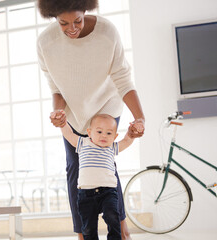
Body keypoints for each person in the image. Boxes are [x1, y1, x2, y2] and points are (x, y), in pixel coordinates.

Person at [36, 0, 145, 239]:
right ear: (53, 16)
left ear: (85, 10)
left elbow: (123, 79)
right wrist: (58, 113)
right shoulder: (46, 43)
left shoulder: (107, 33)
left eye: (77, 20)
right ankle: (83, 233)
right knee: (75, 168)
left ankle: (121, 226)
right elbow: (56, 88)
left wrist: (140, 118)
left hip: (106, 105)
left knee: (106, 163)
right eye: (64, 23)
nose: (72, 28)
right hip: (73, 113)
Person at [60, 113, 134, 240]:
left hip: (108, 192)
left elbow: (126, 141)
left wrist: (131, 134)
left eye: (109, 133)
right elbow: (69, 134)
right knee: (88, 228)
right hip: (85, 194)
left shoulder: (112, 147)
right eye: (99, 131)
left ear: (115, 136)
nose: (104, 136)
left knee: (112, 217)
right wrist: (62, 123)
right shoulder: (82, 143)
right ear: (89, 132)